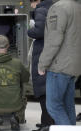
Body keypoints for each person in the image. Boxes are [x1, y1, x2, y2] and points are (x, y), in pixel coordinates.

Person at [38, 0, 81, 126]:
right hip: (74, 66)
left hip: (59, 65)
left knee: (53, 106)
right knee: (68, 106)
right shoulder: (78, 6)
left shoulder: (58, 7)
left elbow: (54, 40)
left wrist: (42, 63)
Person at [27, 0, 54, 130]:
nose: (32, 5)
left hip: (42, 53)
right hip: (51, 53)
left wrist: (29, 30)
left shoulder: (41, 9)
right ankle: (46, 122)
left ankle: (47, 125)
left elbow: (39, 31)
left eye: (31, 3)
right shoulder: (53, 7)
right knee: (49, 93)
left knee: (44, 92)